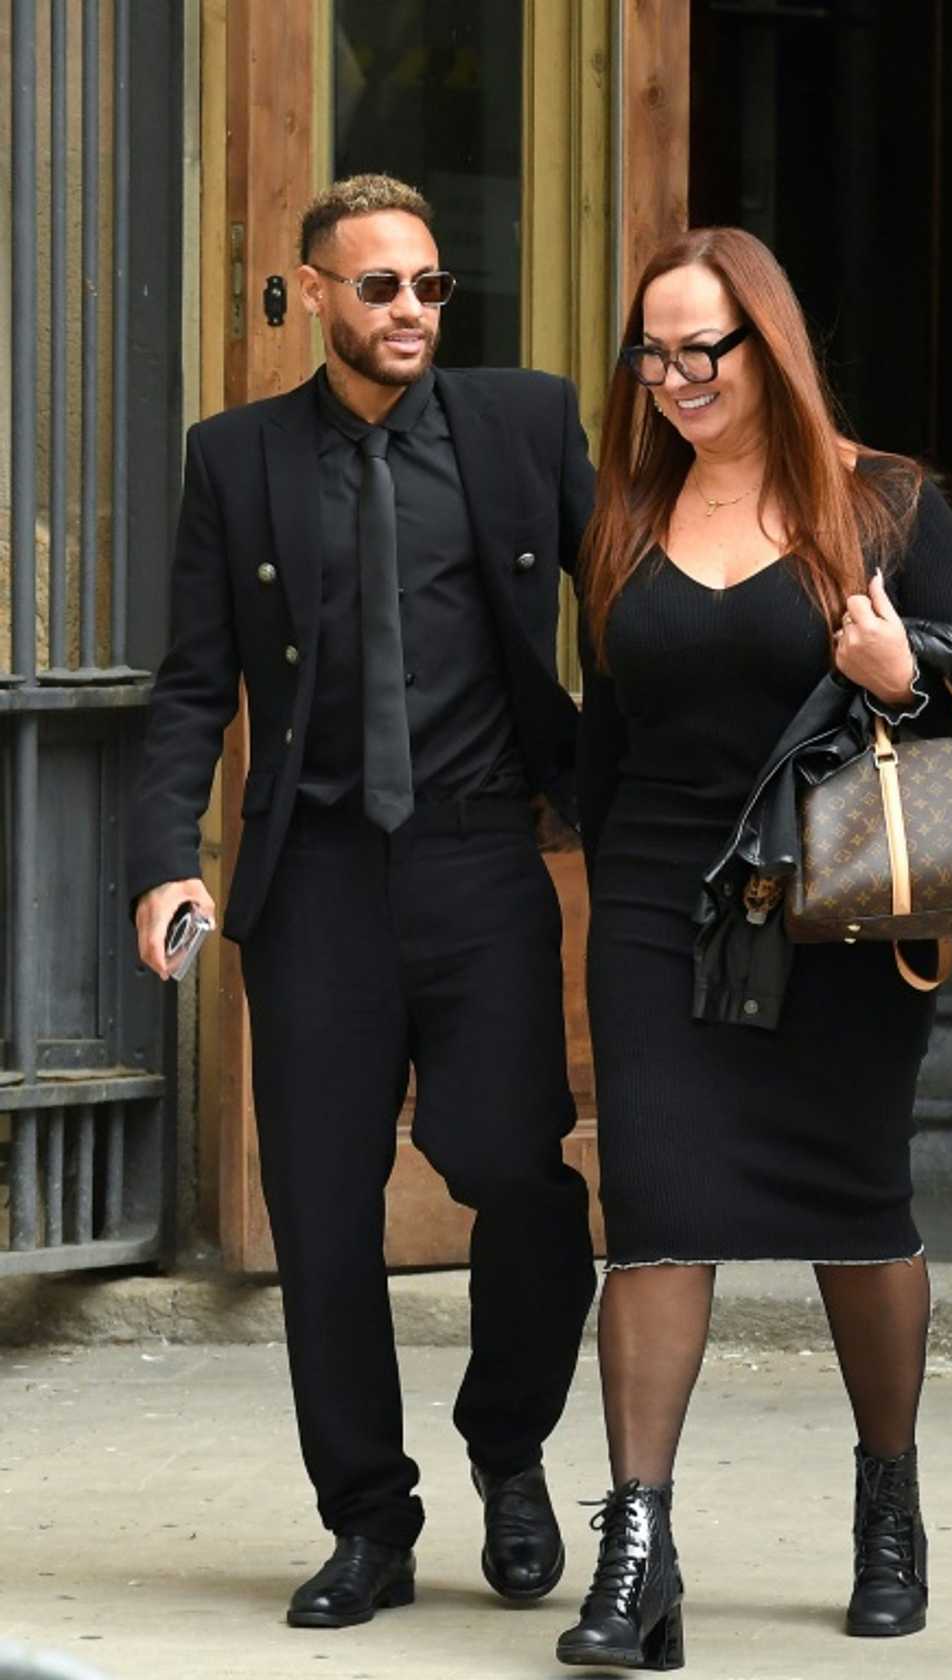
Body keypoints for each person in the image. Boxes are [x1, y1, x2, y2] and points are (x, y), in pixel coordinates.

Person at [128, 173, 597, 1629]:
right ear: (314, 291)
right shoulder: (239, 458)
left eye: (431, 287)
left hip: (476, 859)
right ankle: (368, 1523)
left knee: (514, 1171)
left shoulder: (523, 427)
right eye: (380, 285)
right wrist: (165, 853)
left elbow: (637, 598)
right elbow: (195, 683)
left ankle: (508, 1455)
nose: (410, 310)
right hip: (315, 879)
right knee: (322, 1215)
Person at [557, 226, 952, 1669]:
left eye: (704, 349)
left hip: (841, 909)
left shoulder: (886, 507)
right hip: (654, 905)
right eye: (654, 350)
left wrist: (903, 671)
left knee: (856, 1210)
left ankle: (889, 1503)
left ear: (770, 346)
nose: (675, 376)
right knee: (656, 1212)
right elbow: (610, 737)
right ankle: (637, 1548)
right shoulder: (627, 512)